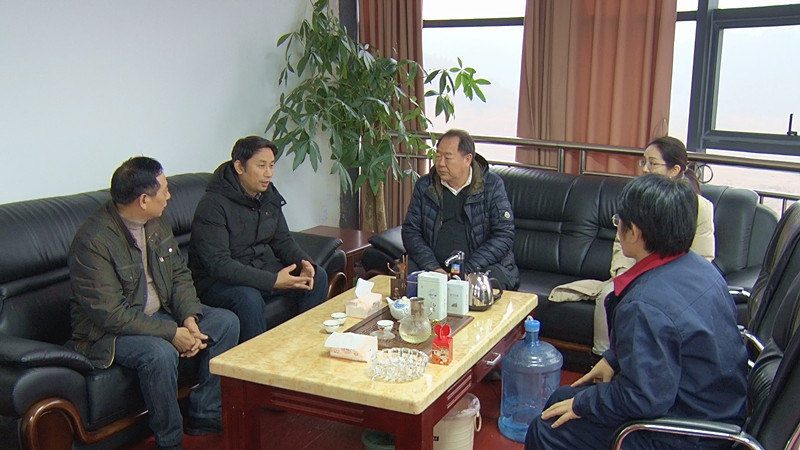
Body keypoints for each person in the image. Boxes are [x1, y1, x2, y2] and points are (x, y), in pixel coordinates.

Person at [525, 174, 747, 450]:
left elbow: (643, 399)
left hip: (686, 433)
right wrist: (613, 359)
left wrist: (584, 404)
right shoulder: (701, 268)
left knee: (546, 430)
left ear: (635, 232)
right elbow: (671, 343)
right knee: (561, 400)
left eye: (619, 221)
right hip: (719, 409)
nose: (617, 228)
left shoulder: (643, 303)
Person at [67, 157, 239, 450]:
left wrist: (189, 319)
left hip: (161, 314)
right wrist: (172, 334)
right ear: (144, 200)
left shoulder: (156, 222)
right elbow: (111, 315)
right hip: (108, 333)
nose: (169, 196)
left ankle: (205, 414)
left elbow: (179, 275)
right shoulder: (93, 241)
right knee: (160, 353)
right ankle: (170, 441)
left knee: (225, 322)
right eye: (165, 190)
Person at [189, 136, 327, 342]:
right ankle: (257, 359)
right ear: (239, 167)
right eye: (261, 166)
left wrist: (306, 264)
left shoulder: (267, 193)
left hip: (259, 268)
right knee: (249, 299)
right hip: (218, 281)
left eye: (271, 165)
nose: (268, 173)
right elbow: (219, 265)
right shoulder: (213, 204)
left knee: (317, 276)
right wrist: (273, 281)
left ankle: (305, 345)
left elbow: (283, 240)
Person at [592, 136, 715, 355]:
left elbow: (702, 257)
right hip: (635, 272)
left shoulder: (698, 207)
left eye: (653, 163)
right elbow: (622, 243)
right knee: (609, 295)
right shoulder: (635, 198)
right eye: (644, 161)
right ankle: (602, 356)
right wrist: (622, 275)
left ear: (675, 170)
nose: (645, 169)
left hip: (676, 280)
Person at [401, 129, 519, 289]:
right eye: (438, 156)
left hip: (480, 267)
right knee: (404, 283)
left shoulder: (491, 186)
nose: (441, 163)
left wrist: (468, 270)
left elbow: (504, 235)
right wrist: (433, 267)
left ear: (467, 159)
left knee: (485, 288)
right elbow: (410, 231)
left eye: (448, 157)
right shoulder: (425, 186)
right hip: (433, 266)